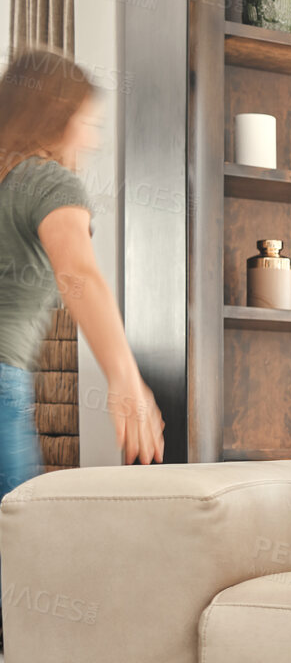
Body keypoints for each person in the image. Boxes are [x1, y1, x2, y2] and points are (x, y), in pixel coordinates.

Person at [0, 48, 164, 489]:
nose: (92, 140)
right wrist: (125, 378)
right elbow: (79, 275)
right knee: (14, 547)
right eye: (88, 123)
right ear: (53, 117)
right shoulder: (47, 180)